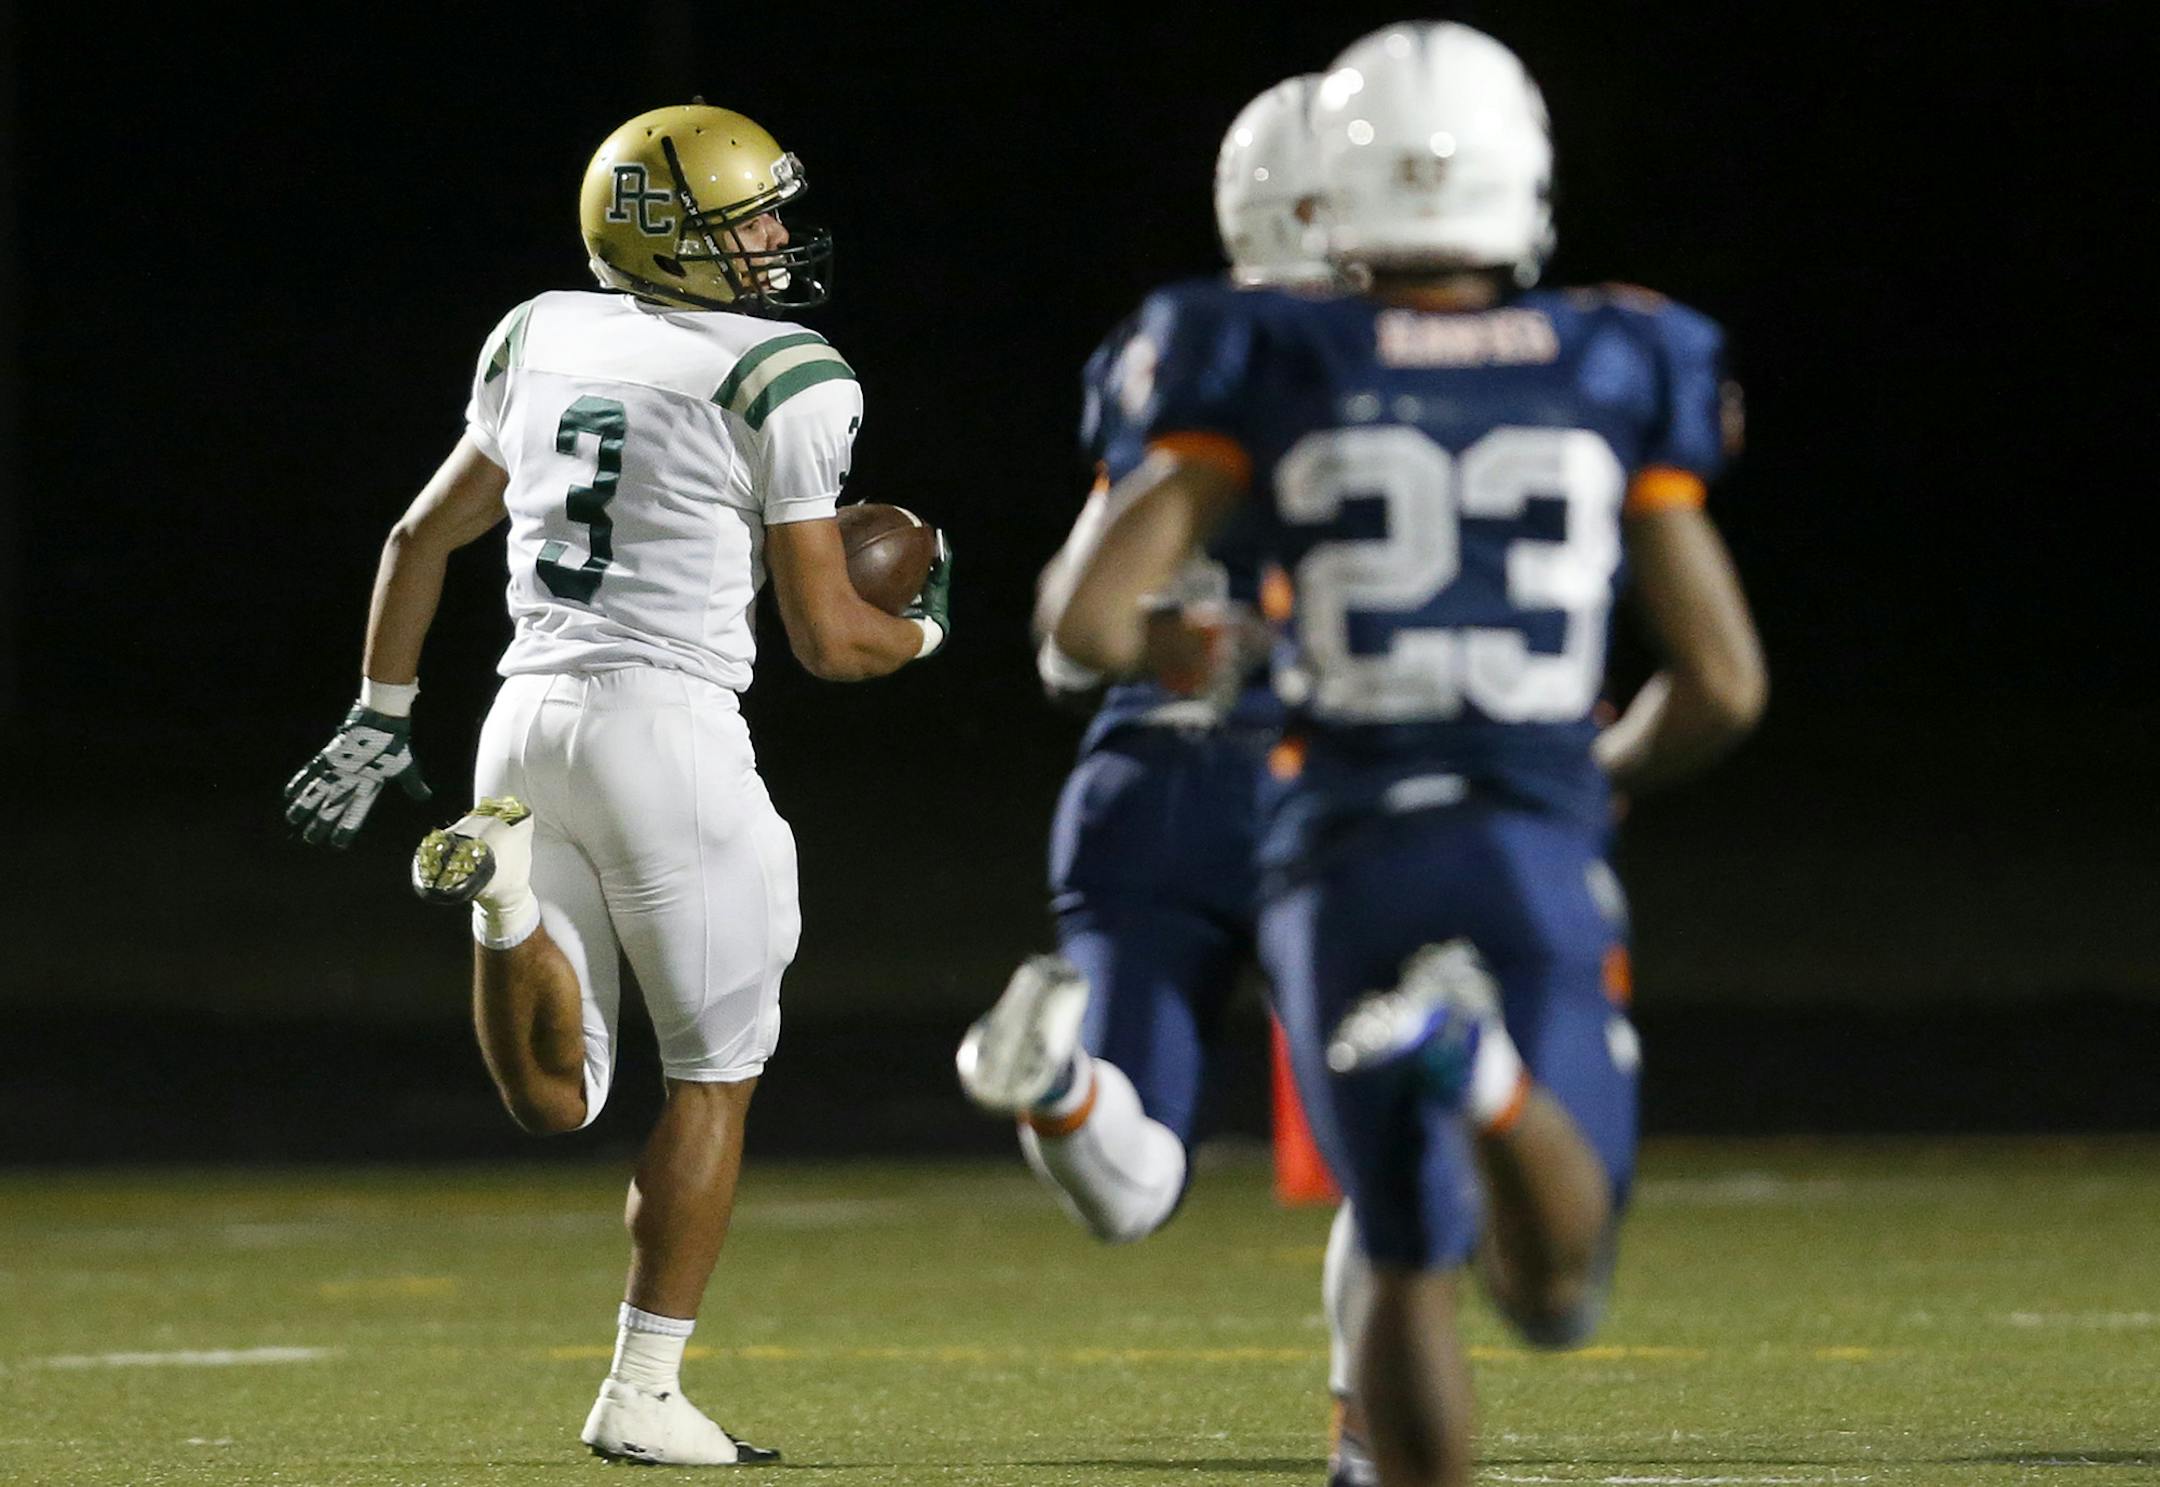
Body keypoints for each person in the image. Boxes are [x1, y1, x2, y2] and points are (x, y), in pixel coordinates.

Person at [1049, 22, 1765, 1487]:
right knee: (1552, 1292)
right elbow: (1724, 684)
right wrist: (1611, 764)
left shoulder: (1252, 350)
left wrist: (1178, 648)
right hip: (1527, 831)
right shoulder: (1619, 352)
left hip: (1341, 850)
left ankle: (1456, 1067)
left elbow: (1088, 617)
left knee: (1400, 1251)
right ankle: (1487, 1076)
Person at [281, 102, 952, 1467]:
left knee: (556, 1097)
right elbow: (833, 638)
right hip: (669, 735)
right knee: (713, 1078)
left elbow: (420, 535)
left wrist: (377, 714)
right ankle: (641, 1396)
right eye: (745, 218)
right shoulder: (785, 369)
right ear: (669, 237)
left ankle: (504, 903)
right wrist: (932, 623)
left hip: (517, 728)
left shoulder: (539, 333)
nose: (773, 236)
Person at [954, 74, 1383, 1483]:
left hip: (1136, 787)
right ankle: (1367, 1428)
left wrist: (1157, 646)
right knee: (1405, 1148)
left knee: (1132, 1183)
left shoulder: (1166, 351)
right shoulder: (1399, 353)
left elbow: (1071, 637)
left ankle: (1060, 1081)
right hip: (1316, 793)